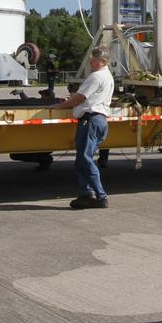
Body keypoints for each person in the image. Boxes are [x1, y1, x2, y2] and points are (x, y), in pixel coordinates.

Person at [54, 46, 114, 209]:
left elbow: (80, 98)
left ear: (103, 61)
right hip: (99, 120)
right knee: (82, 160)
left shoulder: (96, 77)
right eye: (91, 59)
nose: (91, 62)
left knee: (85, 159)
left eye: (94, 60)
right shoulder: (108, 76)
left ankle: (100, 196)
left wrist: (62, 106)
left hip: (90, 121)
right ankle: (85, 194)